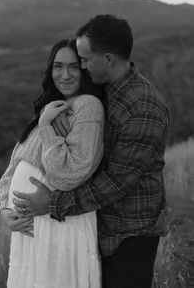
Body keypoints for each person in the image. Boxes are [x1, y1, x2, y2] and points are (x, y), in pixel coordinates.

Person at [13, 15, 170, 288]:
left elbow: (115, 183)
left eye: (84, 60)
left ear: (108, 59)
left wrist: (50, 204)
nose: (81, 67)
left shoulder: (142, 107)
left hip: (129, 232)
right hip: (98, 224)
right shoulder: (105, 89)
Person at [0, 38, 105, 288]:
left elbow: (69, 174)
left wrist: (47, 127)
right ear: (50, 70)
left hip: (60, 225)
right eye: (58, 66)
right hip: (30, 229)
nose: (65, 74)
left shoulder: (88, 107)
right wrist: (6, 211)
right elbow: (11, 170)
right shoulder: (49, 109)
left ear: (85, 70)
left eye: (74, 67)